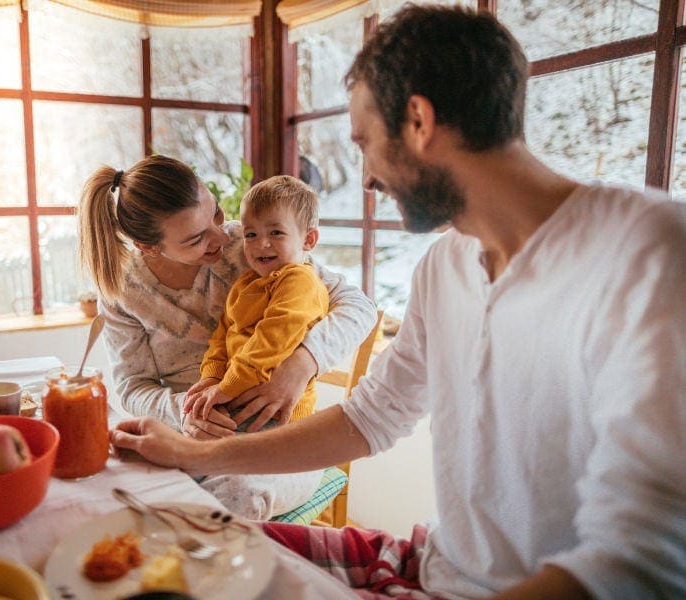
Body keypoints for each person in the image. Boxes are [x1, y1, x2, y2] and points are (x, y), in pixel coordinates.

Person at [110, 5, 686, 600]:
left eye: (364, 143)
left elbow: (643, 563)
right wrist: (196, 450)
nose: (366, 179)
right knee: (171, 551)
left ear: (419, 121)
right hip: (428, 562)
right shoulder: (445, 266)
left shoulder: (650, 254)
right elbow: (370, 418)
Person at [79, 156, 377, 519]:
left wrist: (303, 363)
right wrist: (188, 414)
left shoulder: (253, 244)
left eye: (216, 214)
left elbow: (358, 306)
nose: (221, 236)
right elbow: (132, 388)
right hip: (192, 438)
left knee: (232, 495)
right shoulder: (123, 290)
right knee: (117, 491)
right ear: (148, 247)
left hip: (285, 434)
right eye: (196, 238)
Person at [185, 175, 329, 427]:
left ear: (308, 240)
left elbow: (273, 338)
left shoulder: (299, 281)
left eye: (276, 232)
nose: (262, 244)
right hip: (236, 403)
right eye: (250, 234)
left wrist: (230, 385)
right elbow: (222, 336)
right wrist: (212, 377)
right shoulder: (245, 283)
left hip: (277, 415)